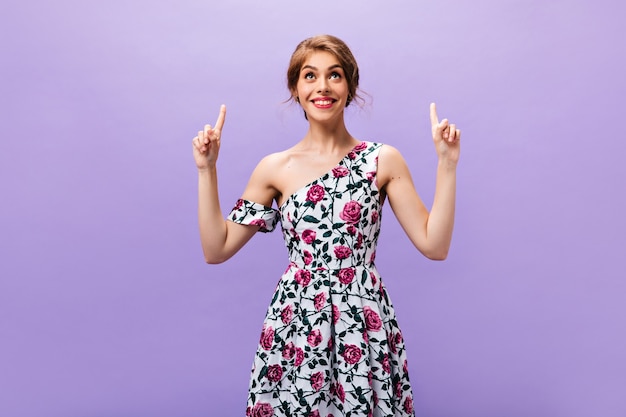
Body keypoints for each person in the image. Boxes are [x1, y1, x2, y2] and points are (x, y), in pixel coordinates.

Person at [192, 34, 460, 417]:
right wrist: (207, 170)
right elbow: (216, 249)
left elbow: (435, 246)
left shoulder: (382, 160)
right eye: (310, 76)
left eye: (334, 75)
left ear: (349, 86)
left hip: (361, 322)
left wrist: (447, 164)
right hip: (297, 321)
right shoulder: (274, 168)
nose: (322, 87)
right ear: (295, 88)